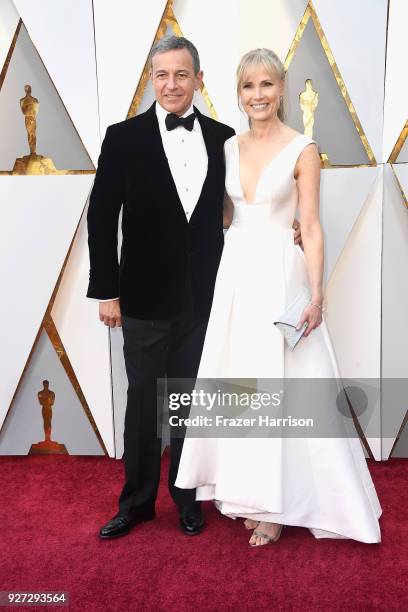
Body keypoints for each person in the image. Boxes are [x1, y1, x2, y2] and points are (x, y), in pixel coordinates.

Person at [87, 35, 305, 539]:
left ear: (199, 80)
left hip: (207, 296)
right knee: (144, 401)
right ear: (150, 80)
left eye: (181, 74)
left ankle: (187, 497)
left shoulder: (225, 138)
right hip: (140, 296)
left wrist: (292, 223)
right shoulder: (122, 138)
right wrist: (107, 291)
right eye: (161, 75)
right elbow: (102, 216)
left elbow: (244, 202)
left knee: (189, 400)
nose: (171, 84)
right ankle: (137, 503)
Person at [175, 48, 382, 546]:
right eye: (249, 86)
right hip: (237, 275)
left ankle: (276, 507)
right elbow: (227, 215)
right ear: (238, 93)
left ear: (283, 88)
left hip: (280, 278)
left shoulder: (302, 148)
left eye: (267, 85)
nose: (258, 95)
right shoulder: (227, 147)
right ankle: (251, 492)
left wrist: (315, 295)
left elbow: (309, 225)